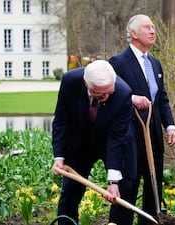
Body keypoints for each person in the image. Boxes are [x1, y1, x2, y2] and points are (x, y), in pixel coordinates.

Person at [109, 14, 175, 225]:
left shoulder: (155, 64)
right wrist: (131, 98)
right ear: (133, 33)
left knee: (153, 189)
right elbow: (109, 95)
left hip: (154, 139)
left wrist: (170, 125)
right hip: (130, 139)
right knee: (128, 188)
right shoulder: (118, 63)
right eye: (147, 27)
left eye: (154, 27)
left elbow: (162, 99)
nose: (153, 31)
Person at [51, 60, 137, 225]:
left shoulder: (123, 93)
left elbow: (116, 139)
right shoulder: (70, 81)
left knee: (123, 189)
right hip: (80, 140)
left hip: (112, 140)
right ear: (86, 84)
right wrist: (59, 157)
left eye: (109, 92)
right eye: (100, 94)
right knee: (71, 190)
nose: (105, 98)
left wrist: (113, 181)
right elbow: (61, 120)